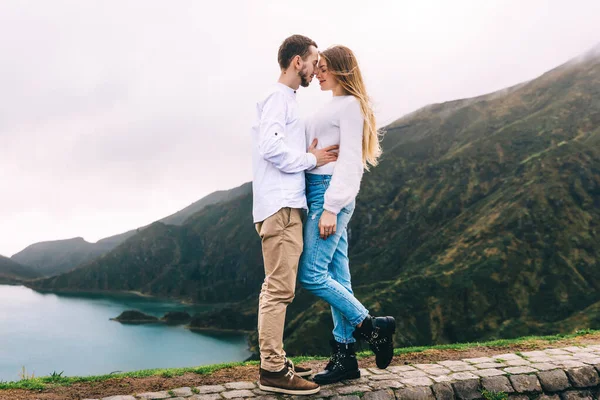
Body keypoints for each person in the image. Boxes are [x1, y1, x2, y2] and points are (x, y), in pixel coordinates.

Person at [298, 45, 396, 385]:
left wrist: (330, 208)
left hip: (330, 196)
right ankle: (345, 357)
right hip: (318, 191)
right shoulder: (331, 106)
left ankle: (372, 327)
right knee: (339, 278)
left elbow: (351, 160)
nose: (318, 73)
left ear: (341, 69)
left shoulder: (351, 105)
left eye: (324, 67)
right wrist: (309, 156)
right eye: (318, 67)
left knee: (311, 274)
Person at [250, 34, 339, 395]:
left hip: (280, 205)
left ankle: (274, 359)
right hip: (282, 208)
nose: (316, 67)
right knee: (279, 290)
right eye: (313, 60)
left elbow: (278, 145)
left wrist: (305, 151)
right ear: (296, 61)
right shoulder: (278, 99)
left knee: (274, 286)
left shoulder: (284, 101)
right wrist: (311, 159)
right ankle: (272, 370)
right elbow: (270, 147)